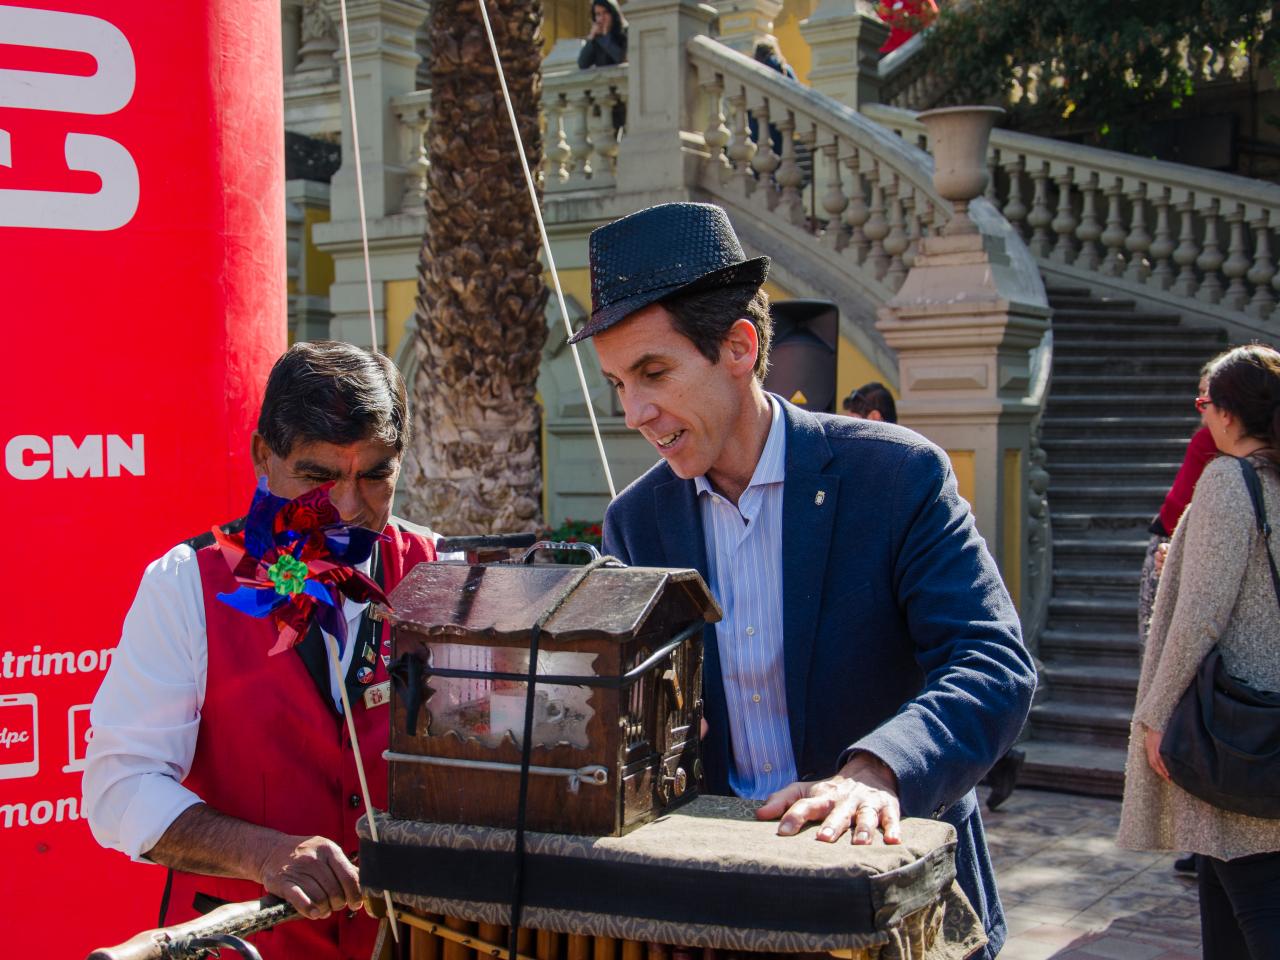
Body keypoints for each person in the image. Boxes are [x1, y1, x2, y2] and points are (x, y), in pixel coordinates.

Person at [569, 202, 1036, 960]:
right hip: (726, 910)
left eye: (653, 373)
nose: (634, 412)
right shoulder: (637, 521)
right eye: (618, 383)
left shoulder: (896, 474)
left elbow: (992, 662)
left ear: (739, 347)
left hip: (890, 905)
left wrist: (879, 770)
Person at [83, 341, 444, 960]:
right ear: (263, 456)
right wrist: (262, 853)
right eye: (317, 477)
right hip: (239, 942)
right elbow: (119, 788)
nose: (347, 507)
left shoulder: (442, 574)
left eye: (375, 474)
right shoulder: (185, 584)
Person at [1117, 343, 1280, 959]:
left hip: (1236, 727)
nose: (1201, 413)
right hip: (1265, 719)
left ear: (1230, 415)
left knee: (1256, 897)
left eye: (1205, 402)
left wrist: (1155, 715)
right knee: (1222, 889)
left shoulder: (1228, 480)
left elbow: (1199, 617)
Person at [577, 0, 627, 69]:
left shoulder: (626, 32)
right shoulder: (597, 38)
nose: (602, 18)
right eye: (598, 14)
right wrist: (591, 38)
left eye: (605, 12)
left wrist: (605, 36)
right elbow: (582, 64)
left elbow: (621, 59)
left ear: (613, 13)